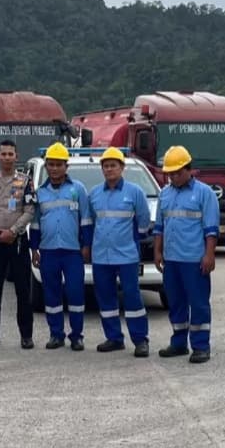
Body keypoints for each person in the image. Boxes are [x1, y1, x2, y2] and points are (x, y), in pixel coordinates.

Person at [152, 145, 219, 364]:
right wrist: (158, 251)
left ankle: (201, 346)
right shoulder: (165, 194)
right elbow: (160, 226)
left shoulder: (204, 193)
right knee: (176, 302)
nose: (173, 177)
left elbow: (211, 229)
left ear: (190, 170)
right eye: (170, 173)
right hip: (172, 260)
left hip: (194, 260)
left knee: (198, 303)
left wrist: (209, 256)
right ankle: (179, 342)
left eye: (177, 172)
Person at [88, 147, 152, 357]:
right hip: (101, 256)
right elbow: (91, 222)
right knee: (106, 299)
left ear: (122, 167)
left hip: (126, 255)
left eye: (113, 165)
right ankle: (114, 338)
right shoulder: (95, 193)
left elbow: (143, 221)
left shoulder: (134, 192)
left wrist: (134, 239)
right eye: (105, 166)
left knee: (132, 298)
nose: (109, 169)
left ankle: (140, 340)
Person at [29, 142, 92, 351]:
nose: (54, 168)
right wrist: (34, 249)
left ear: (67, 166)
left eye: (59, 164)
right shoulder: (40, 192)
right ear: (46, 166)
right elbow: (36, 222)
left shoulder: (78, 189)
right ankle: (56, 334)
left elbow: (86, 220)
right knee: (52, 295)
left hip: (73, 251)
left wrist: (86, 246)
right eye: (51, 165)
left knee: (75, 294)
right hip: (48, 251)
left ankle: (77, 336)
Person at [0, 140, 36, 349]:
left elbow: (30, 210)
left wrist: (13, 231)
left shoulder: (25, 181)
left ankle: (26, 336)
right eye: (3, 154)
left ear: (16, 156)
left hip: (18, 241)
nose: (7, 158)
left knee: (23, 290)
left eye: (10, 154)